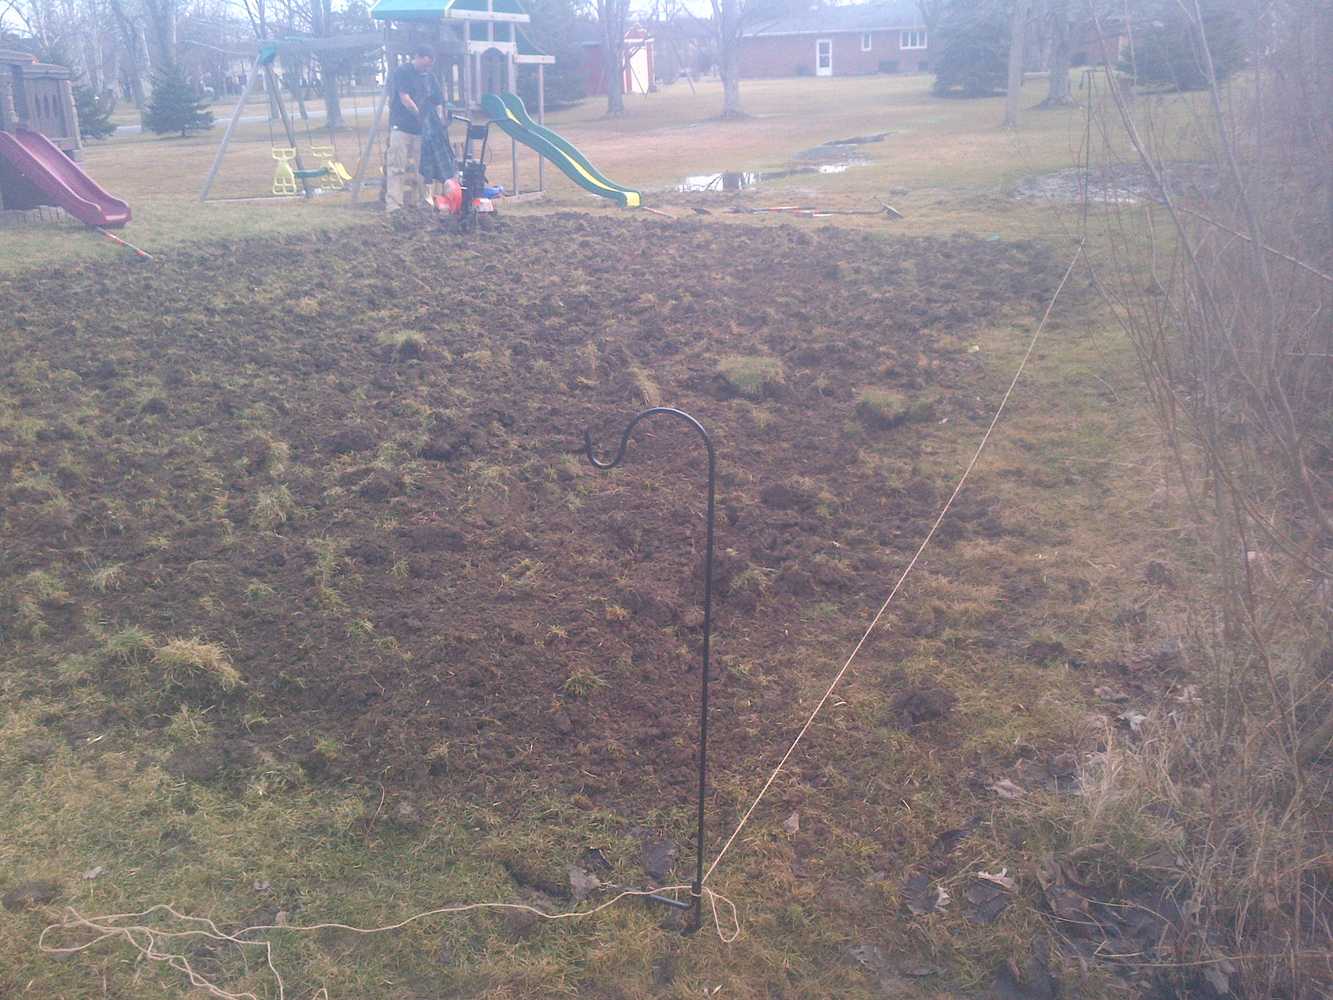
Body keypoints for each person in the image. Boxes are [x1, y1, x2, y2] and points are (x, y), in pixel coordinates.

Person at [385, 46, 444, 214]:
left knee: (424, 169)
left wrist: (438, 120)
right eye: (424, 65)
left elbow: (438, 101)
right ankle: (394, 206)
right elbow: (405, 98)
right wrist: (420, 116)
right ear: (417, 57)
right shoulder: (403, 72)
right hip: (401, 128)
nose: (426, 69)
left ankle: (424, 203)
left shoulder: (430, 77)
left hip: (422, 133)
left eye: (429, 67)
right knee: (397, 167)